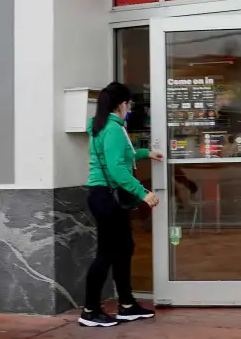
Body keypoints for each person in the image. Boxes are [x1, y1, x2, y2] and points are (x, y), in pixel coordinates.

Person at [79, 82, 163, 328]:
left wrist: (145, 153)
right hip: (107, 196)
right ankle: (90, 310)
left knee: (124, 247)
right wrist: (143, 193)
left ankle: (127, 305)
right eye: (129, 103)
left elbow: (118, 156)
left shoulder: (102, 126)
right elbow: (116, 168)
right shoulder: (113, 129)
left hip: (103, 195)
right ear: (121, 104)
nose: (130, 107)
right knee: (107, 253)